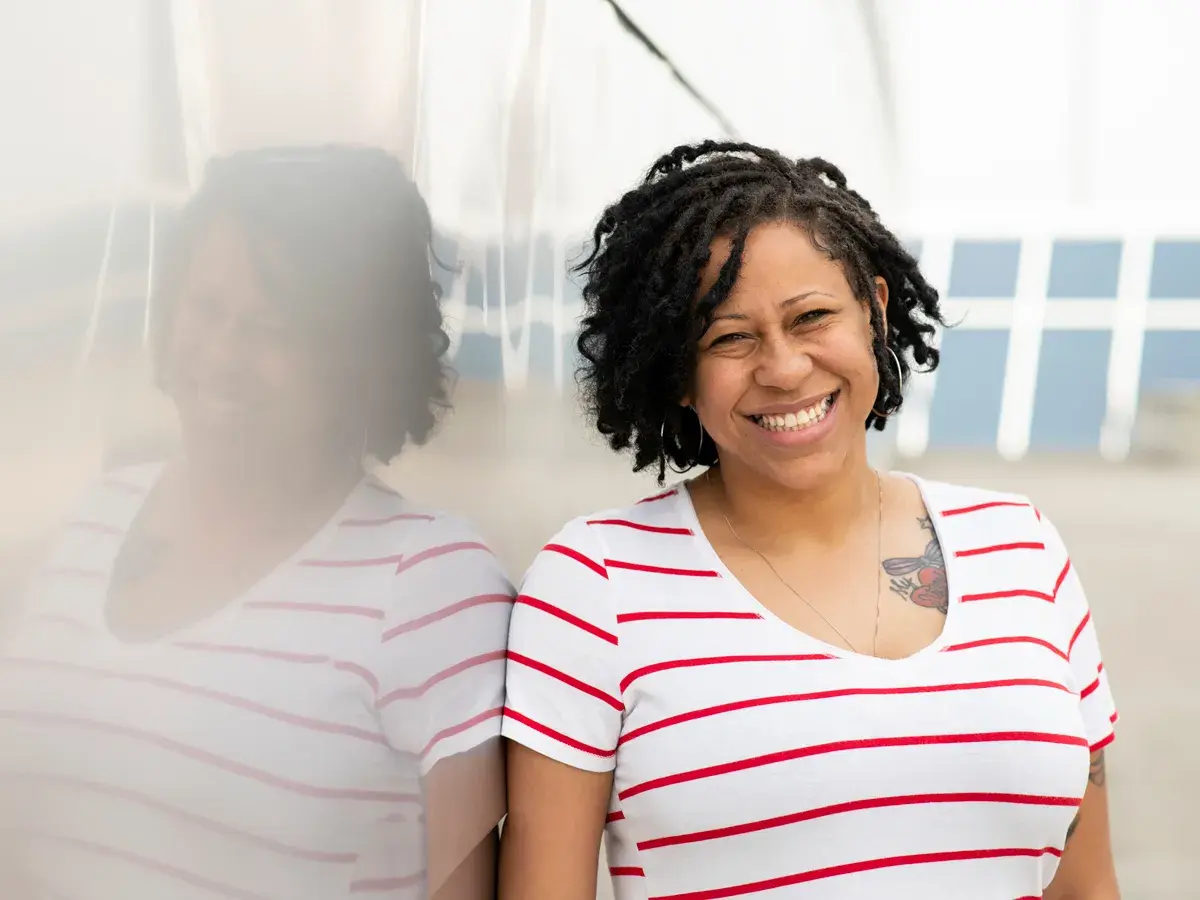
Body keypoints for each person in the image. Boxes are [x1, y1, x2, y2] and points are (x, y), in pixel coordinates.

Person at [499, 141, 1120, 899]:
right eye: (730, 337)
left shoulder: (1020, 545)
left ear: (875, 314)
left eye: (812, 317)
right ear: (679, 374)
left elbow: (1088, 889)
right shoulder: (595, 586)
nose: (785, 368)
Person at [0, 146, 511, 900]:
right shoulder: (97, 517)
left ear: (360, 358)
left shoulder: (434, 583)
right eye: (206, 308)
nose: (223, 355)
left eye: (273, 329)